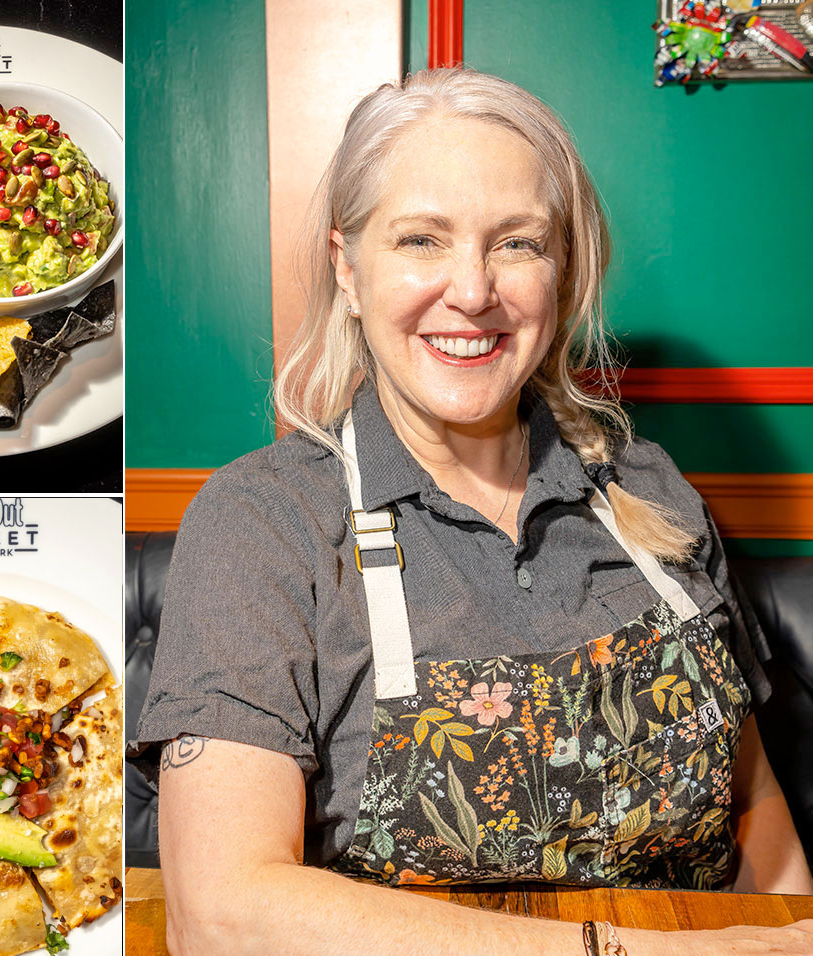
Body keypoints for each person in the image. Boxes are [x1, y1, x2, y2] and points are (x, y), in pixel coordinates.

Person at [130, 68, 813, 954]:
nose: (472, 290)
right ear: (347, 265)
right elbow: (221, 918)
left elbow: (755, 813)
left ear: (561, 270)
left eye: (517, 243)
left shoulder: (646, 485)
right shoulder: (263, 520)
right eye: (420, 238)